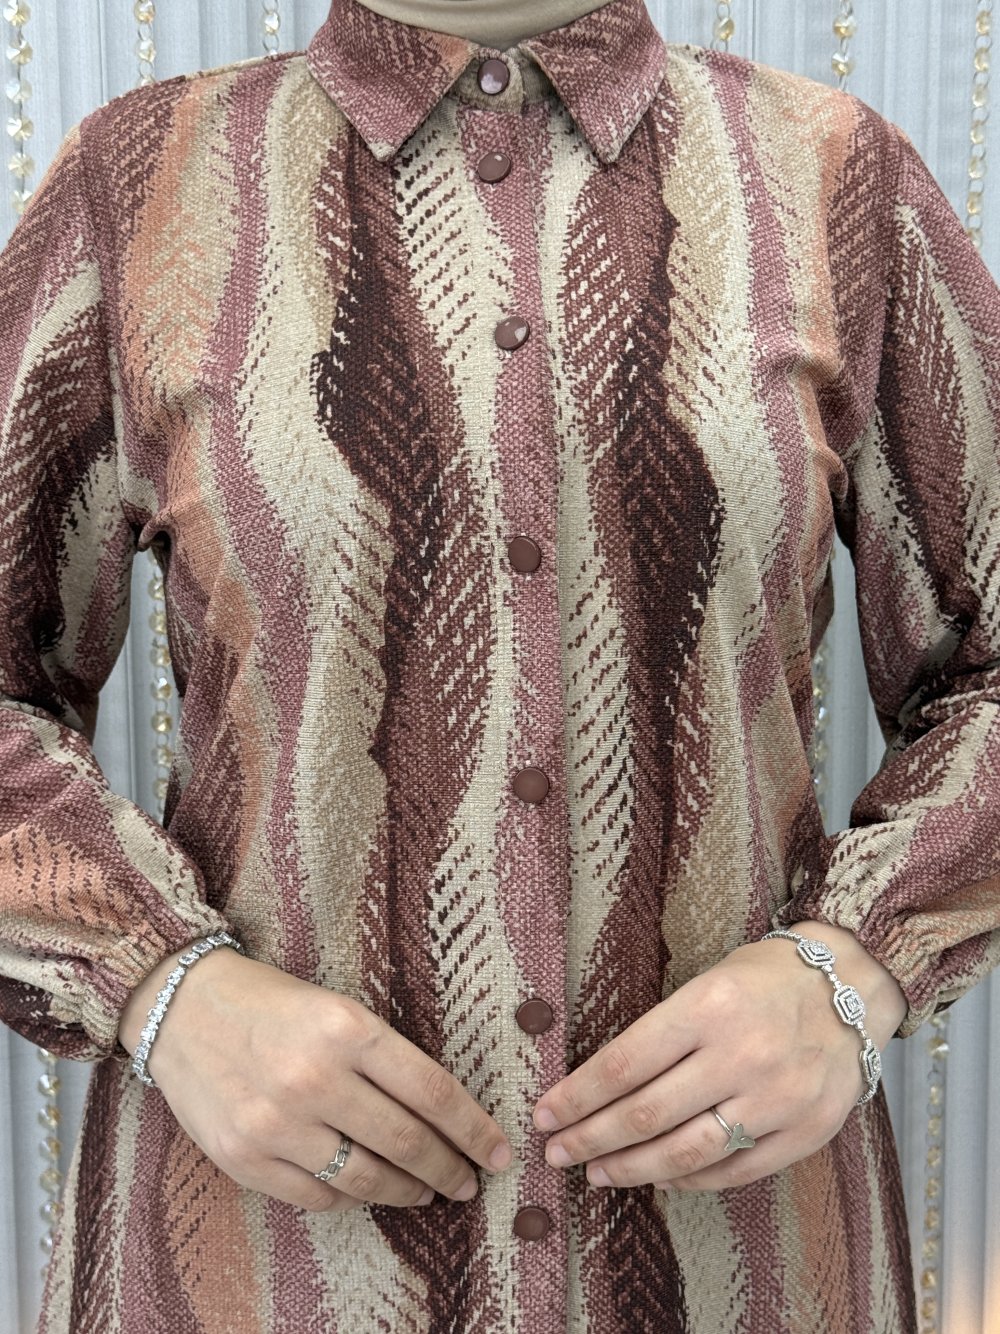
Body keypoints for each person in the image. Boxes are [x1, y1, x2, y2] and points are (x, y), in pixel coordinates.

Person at [1, 0, 998, 1328]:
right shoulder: (144, 182)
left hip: (742, 1259)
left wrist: (859, 965)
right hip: (258, 1264)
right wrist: (162, 987)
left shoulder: (828, 176)